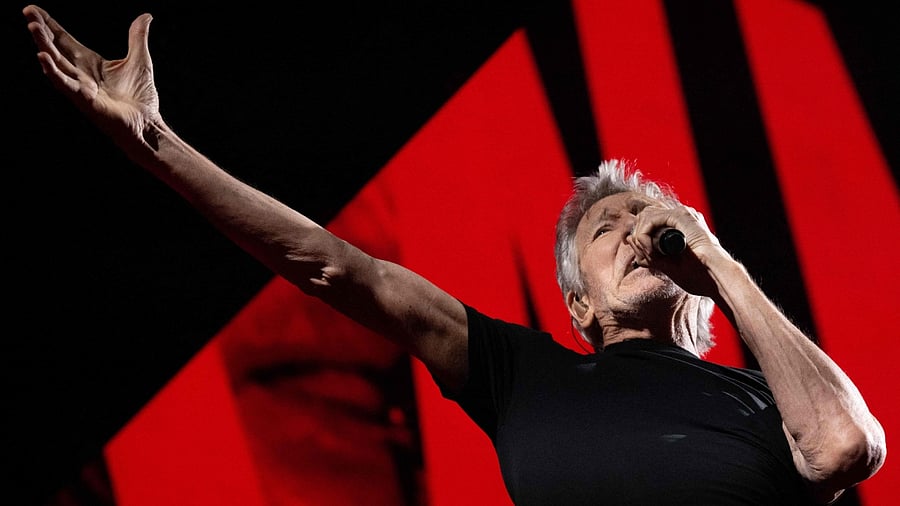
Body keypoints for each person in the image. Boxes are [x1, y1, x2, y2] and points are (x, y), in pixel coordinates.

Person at [23, 4, 885, 505]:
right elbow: (333, 266)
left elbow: (844, 446)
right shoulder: (524, 373)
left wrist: (720, 264)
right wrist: (154, 142)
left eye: (650, 217)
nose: (634, 228)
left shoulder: (764, 395)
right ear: (577, 303)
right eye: (606, 225)